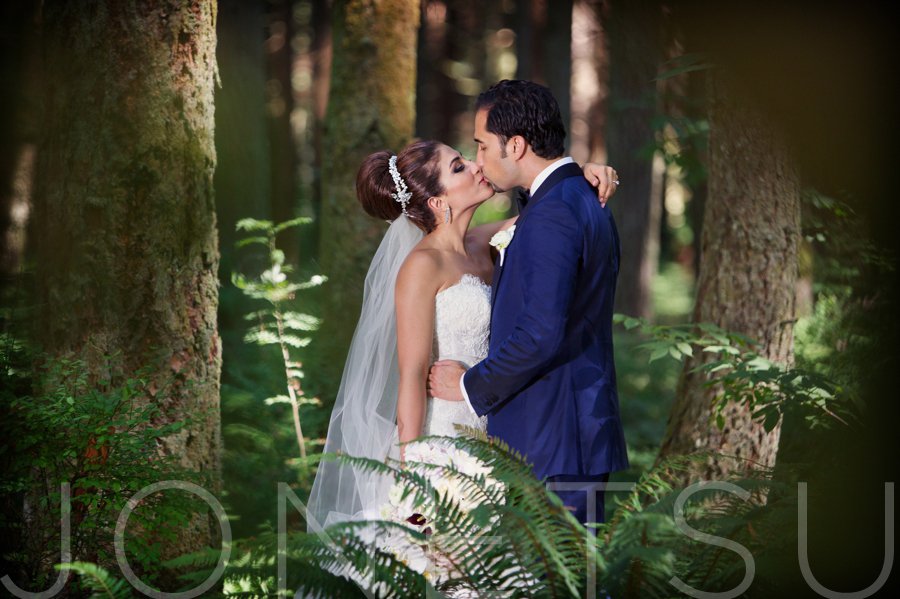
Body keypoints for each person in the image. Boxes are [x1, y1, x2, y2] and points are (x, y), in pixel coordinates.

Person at [306, 138, 618, 531]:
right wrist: (411, 469)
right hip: (446, 437)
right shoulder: (422, 266)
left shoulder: (482, 242)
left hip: (501, 428)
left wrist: (585, 175)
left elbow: (551, 207)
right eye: (458, 167)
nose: (475, 165)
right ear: (438, 201)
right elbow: (413, 374)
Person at [429, 80, 629, 526]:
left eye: (482, 147)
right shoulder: (577, 197)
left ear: (515, 145)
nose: (478, 161)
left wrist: (467, 386)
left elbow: (539, 334)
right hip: (573, 432)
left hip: (551, 438)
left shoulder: (553, 213)